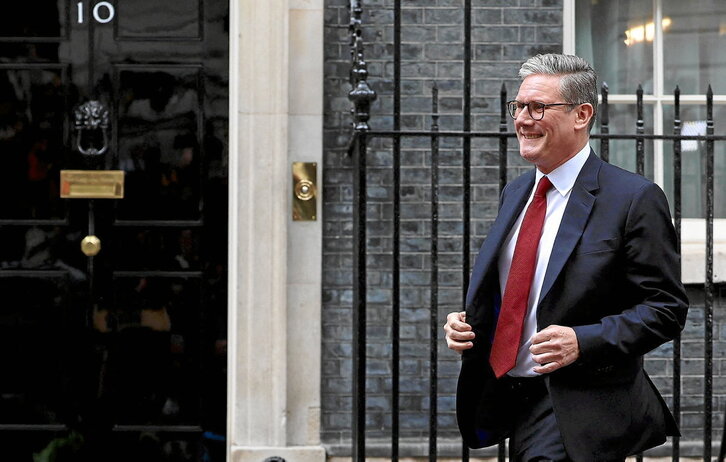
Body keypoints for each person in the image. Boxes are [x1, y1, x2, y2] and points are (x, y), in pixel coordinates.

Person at [443, 54, 688, 462]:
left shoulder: (632, 199)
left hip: (576, 404)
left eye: (538, 107)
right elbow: (517, 287)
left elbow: (665, 308)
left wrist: (582, 340)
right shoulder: (516, 193)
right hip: (509, 395)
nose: (522, 118)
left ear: (582, 115)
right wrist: (466, 324)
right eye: (518, 107)